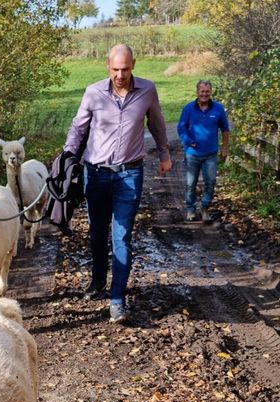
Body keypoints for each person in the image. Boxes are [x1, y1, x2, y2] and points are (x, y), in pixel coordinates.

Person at [64, 44, 172, 324]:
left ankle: (117, 299)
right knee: (98, 233)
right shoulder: (93, 92)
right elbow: (78, 128)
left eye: (125, 69)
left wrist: (164, 153)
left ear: (133, 64)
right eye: (115, 69)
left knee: (121, 235)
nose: (120, 75)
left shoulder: (147, 91)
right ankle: (98, 281)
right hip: (96, 174)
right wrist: (67, 158)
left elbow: (157, 123)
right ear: (107, 65)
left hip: (129, 174)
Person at [177, 80, 230, 223]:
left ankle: (205, 208)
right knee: (190, 183)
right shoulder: (188, 108)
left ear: (210, 92)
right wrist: (188, 141)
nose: (205, 94)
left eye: (207, 92)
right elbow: (181, 128)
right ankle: (191, 209)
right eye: (202, 91)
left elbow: (225, 129)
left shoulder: (218, 109)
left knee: (211, 182)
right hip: (192, 153)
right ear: (197, 92)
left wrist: (225, 149)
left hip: (211, 154)